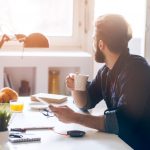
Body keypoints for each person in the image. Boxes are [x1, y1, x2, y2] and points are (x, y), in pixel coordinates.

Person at [49, 14, 150, 149]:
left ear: (101, 44)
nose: (93, 45)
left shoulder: (137, 69)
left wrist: (74, 117)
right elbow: (86, 102)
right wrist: (76, 87)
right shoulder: (106, 71)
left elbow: (121, 122)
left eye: (93, 40)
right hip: (120, 143)